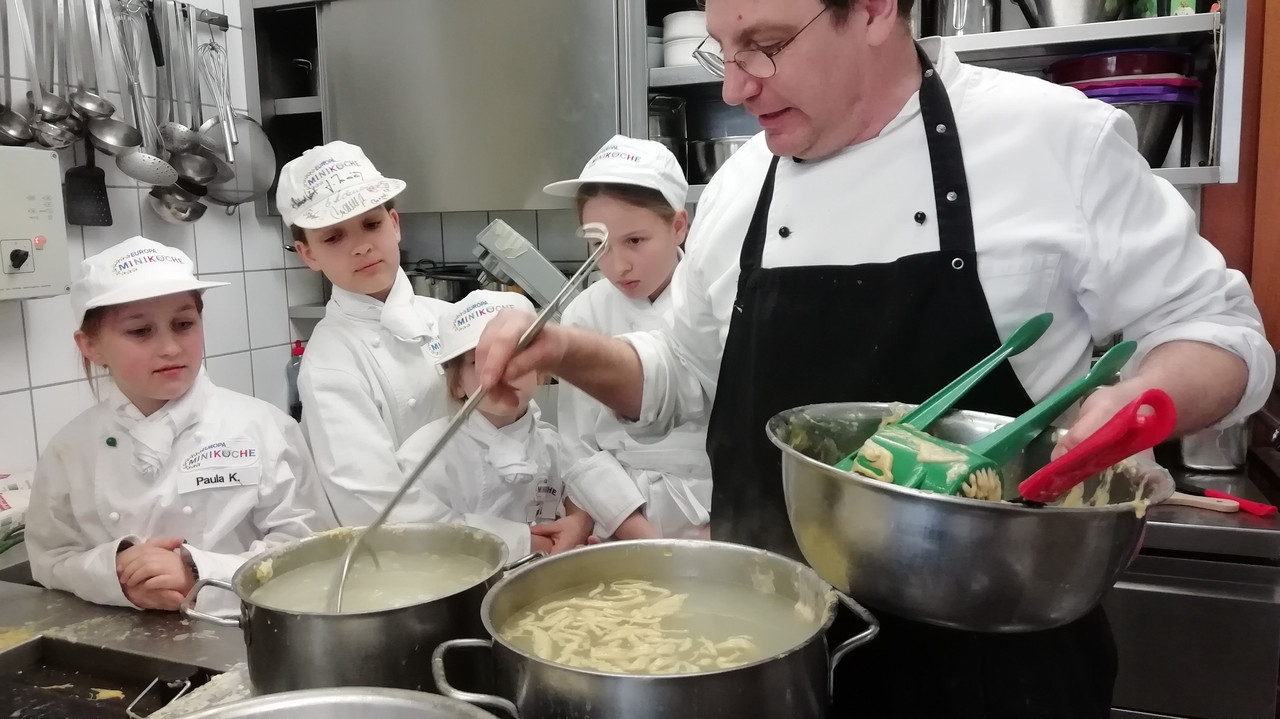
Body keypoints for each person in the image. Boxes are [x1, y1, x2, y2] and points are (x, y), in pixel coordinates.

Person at [471, 0, 1275, 715]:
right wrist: (564, 347)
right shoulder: (737, 191)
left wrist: (1143, 400)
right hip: (766, 659)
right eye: (723, 49)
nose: (735, 88)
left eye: (765, 45)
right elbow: (683, 378)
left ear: (874, 9)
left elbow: (1221, 331)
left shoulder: (1053, 141)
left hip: (994, 667)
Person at [26, 237, 336, 614]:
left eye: (184, 324)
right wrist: (117, 574)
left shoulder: (263, 427)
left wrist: (199, 574)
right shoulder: (70, 449)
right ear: (91, 346)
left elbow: (311, 549)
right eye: (140, 331)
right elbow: (50, 558)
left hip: (246, 632)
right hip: (121, 638)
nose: (171, 347)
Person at [395, 290, 656, 557]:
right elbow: (419, 535)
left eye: (516, 359)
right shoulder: (425, 456)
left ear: (540, 372)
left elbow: (582, 493)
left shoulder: (554, 446)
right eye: (479, 362)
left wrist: (579, 523)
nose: (501, 373)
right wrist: (530, 544)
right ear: (457, 383)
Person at [545, 135, 713, 539]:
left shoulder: (716, 302)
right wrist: (638, 533)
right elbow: (579, 446)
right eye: (598, 245)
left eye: (635, 241)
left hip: (717, 517)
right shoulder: (584, 313)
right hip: (619, 519)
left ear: (678, 226)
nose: (617, 266)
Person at [278, 141, 454, 526]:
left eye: (371, 224)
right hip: (420, 552)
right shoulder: (329, 363)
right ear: (308, 254)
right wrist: (500, 535)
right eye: (333, 237)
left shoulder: (450, 318)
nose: (361, 247)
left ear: (394, 224)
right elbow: (373, 504)